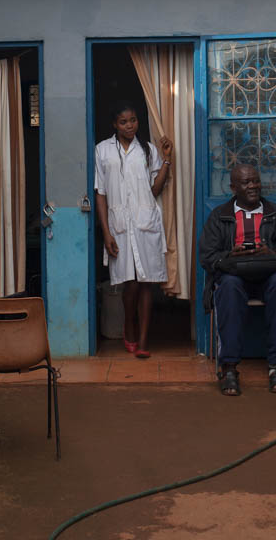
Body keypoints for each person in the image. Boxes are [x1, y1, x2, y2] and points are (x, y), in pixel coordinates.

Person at [199, 164, 276, 396]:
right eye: (246, 183)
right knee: (227, 286)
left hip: (270, 275)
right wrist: (229, 255)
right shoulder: (220, 216)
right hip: (236, 276)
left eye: (256, 181)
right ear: (233, 187)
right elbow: (207, 256)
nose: (253, 186)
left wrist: (272, 253)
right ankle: (228, 368)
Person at [94, 102, 173, 359]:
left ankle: (143, 339)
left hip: (145, 223)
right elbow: (101, 194)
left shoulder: (148, 151)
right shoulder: (103, 151)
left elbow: (155, 190)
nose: (130, 126)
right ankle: (129, 324)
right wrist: (106, 233)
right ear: (114, 125)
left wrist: (166, 161)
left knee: (146, 283)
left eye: (133, 120)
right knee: (130, 283)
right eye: (123, 122)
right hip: (119, 226)